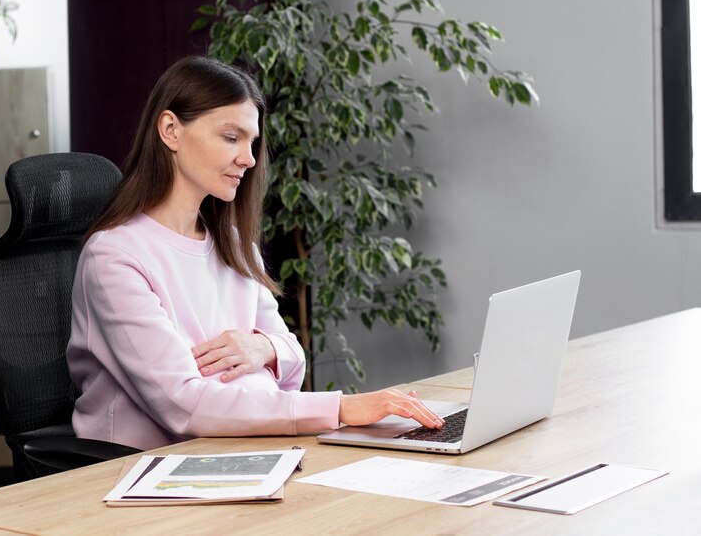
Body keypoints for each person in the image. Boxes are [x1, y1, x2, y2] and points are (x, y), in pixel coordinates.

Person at [66, 56, 444, 450]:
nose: (248, 158)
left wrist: (264, 347)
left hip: (245, 446)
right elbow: (184, 405)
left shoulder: (234, 243)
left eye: (252, 142)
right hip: (147, 467)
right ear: (171, 130)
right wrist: (342, 408)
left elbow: (293, 359)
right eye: (231, 137)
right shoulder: (114, 257)